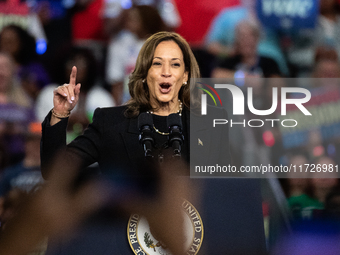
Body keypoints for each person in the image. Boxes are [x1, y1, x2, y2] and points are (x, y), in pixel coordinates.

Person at [40, 32, 265, 254]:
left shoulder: (211, 122)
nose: (166, 72)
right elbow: (56, 171)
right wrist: (60, 115)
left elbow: (218, 193)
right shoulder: (110, 122)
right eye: (158, 64)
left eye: (175, 65)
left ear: (186, 75)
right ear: (145, 73)